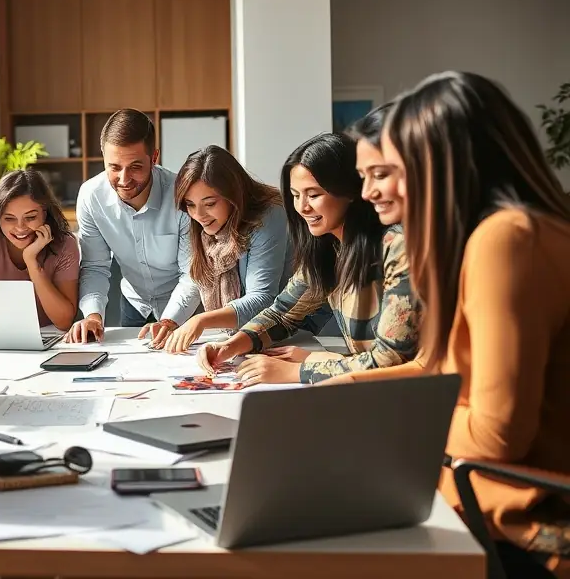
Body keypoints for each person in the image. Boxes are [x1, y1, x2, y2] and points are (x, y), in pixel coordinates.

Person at [322, 72, 570, 578]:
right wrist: (341, 389)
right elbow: (439, 370)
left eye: (388, 170)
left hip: (528, 526)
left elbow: (497, 437)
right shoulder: (513, 230)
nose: (368, 192)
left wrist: (376, 416)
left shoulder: (506, 239)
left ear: (439, 164)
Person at [197, 132, 420, 385]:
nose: (302, 207)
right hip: (365, 391)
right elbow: (282, 313)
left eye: (313, 195)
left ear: (349, 192)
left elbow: (390, 360)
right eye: (295, 195)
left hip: (414, 398)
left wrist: (300, 370)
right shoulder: (328, 247)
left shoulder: (397, 247)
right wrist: (230, 345)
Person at [66, 109, 199, 344]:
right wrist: (93, 316)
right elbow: (95, 267)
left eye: (135, 166)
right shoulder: (90, 196)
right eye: (114, 167)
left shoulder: (182, 193)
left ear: (154, 157)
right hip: (134, 304)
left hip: (185, 310)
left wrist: (169, 321)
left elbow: (191, 275)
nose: (124, 179)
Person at [150, 145, 291, 352]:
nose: (199, 215)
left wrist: (202, 320)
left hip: (294, 330)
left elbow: (262, 297)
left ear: (233, 194)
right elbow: (195, 280)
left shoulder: (269, 215)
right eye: (190, 204)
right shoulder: (201, 224)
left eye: (209, 203)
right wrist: (170, 321)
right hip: (249, 337)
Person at [0, 169, 80, 331]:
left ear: (45, 213)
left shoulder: (65, 245)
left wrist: (32, 263)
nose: (20, 228)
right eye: (9, 218)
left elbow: (64, 321)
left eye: (30, 217)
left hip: (51, 339)